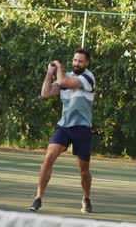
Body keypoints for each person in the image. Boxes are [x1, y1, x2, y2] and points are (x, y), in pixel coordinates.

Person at [29, 48, 95, 213]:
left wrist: (58, 67)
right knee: (48, 158)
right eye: (74, 60)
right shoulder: (64, 76)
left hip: (82, 128)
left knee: (84, 170)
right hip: (64, 127)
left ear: (86, 63)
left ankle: (86, 198)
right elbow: (45, 94)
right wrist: (49, 73)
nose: (76, 63)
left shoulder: (88, 77)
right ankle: (38, 198)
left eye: (80, 61)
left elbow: (65, 82)